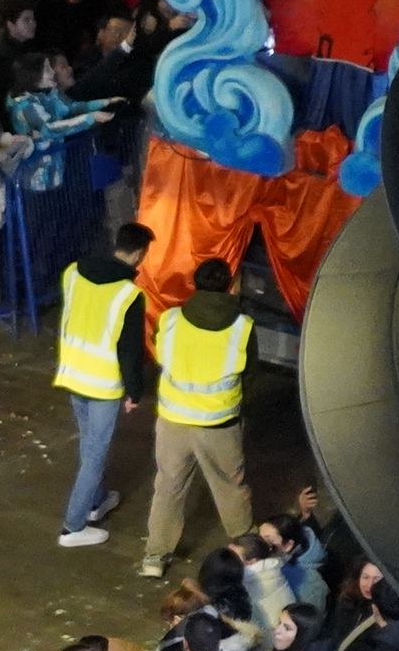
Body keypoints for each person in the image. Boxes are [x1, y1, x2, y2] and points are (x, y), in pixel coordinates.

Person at [141, 258, 255, 579]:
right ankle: (249, 552)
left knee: (168, 486)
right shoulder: (242, 327)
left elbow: (161, 354)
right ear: (230, 285)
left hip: (173, 421)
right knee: (230, 487)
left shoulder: (172, 319)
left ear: (195, 283)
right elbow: (251, 373)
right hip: (219, 424)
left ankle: (155, 556)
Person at [47, 223, 150, 548]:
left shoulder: (74, 272)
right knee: (94, 453)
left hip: (73, 373)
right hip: (103, 383)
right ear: (138, 255)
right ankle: (73, 527)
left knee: (88, 445)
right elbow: (131, 349)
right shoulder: (129, 294)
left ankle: (97, 501)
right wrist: (135, 391)